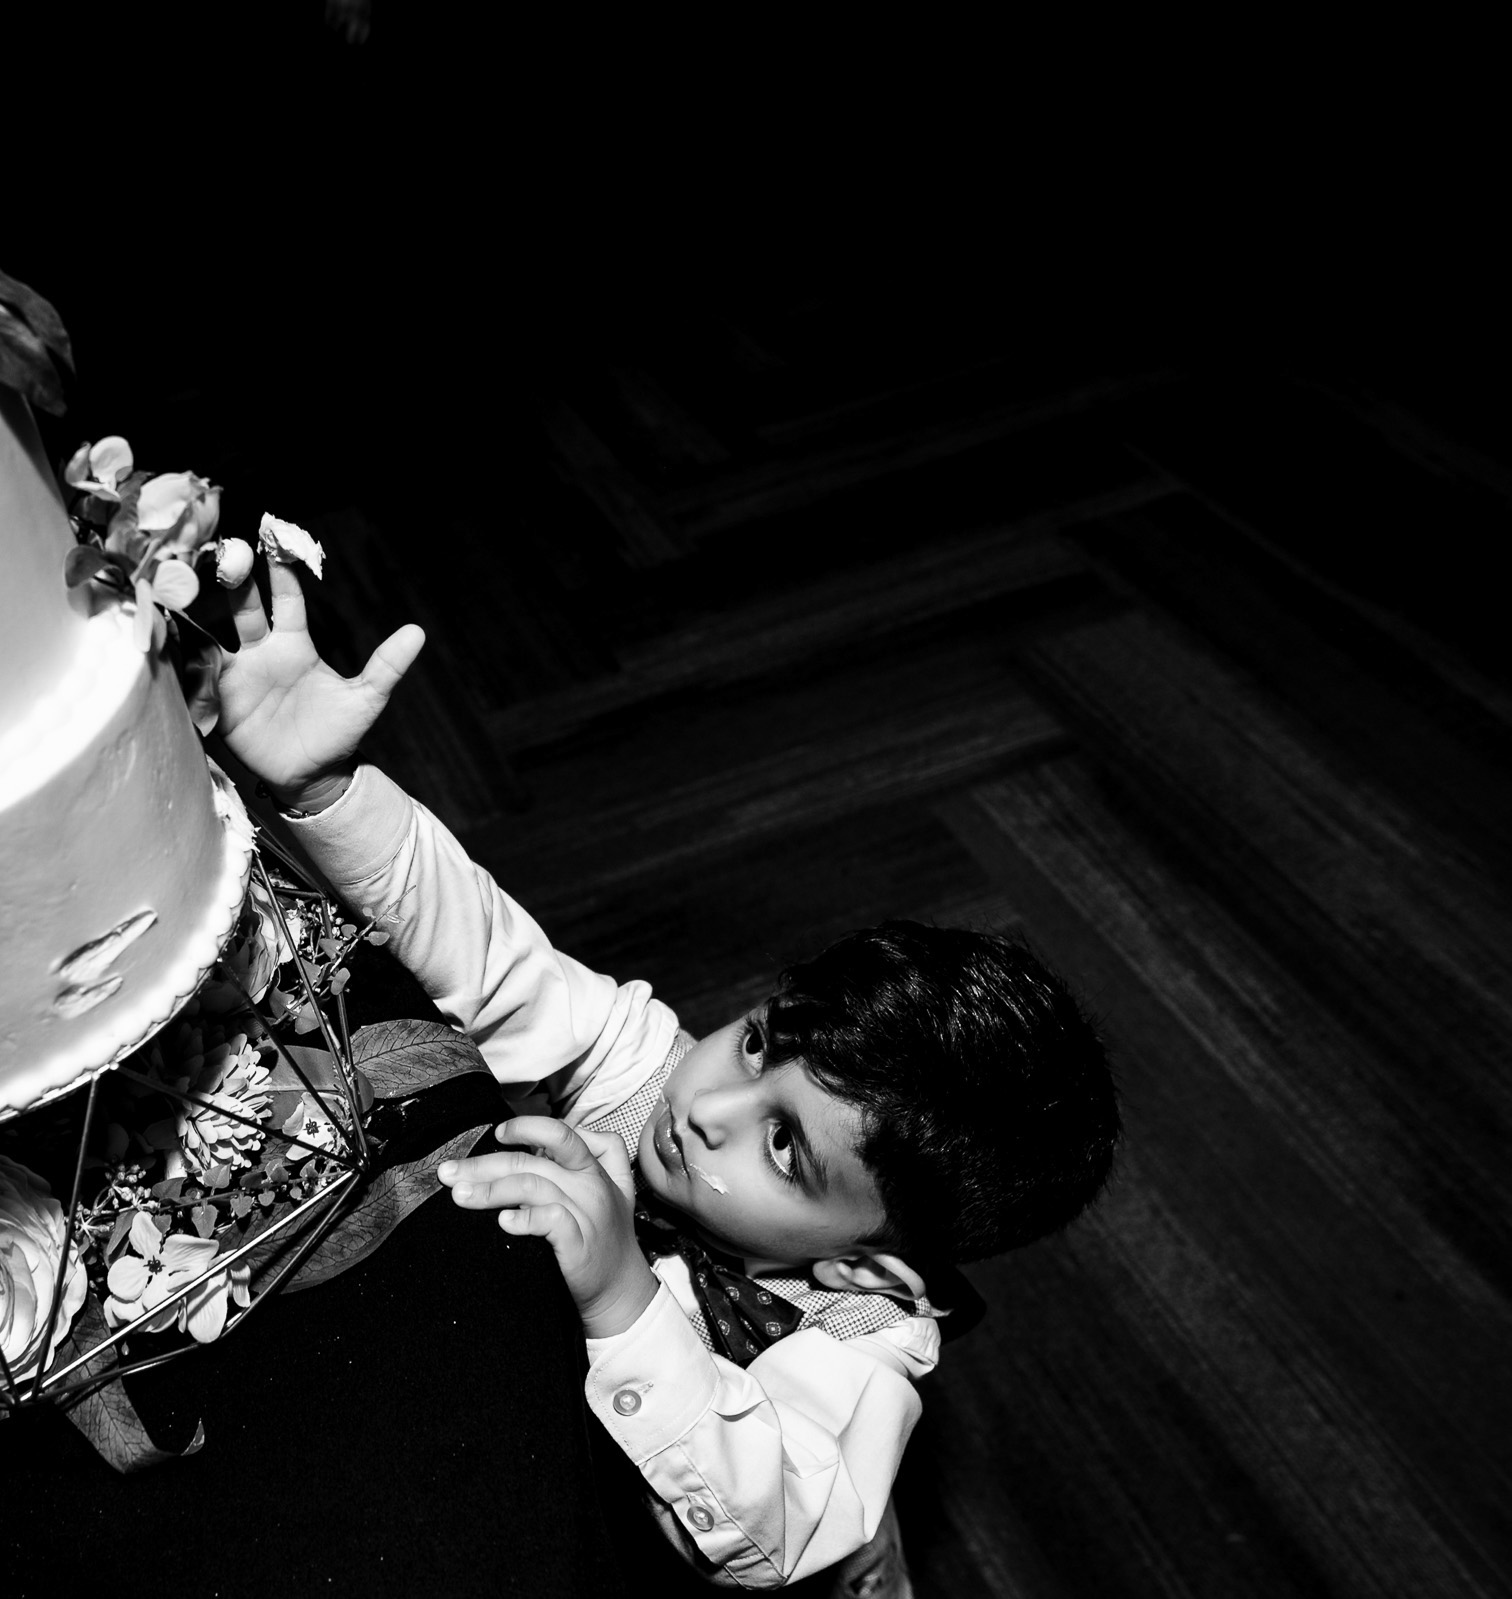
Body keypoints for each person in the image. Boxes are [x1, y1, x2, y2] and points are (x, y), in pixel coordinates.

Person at [211, 551, 1120, 1591]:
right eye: (761, 1043)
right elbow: (494, 961)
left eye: (783, 1144)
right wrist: (323, 791)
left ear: (865, 1264)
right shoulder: (670, 1083)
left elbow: (768, 1530)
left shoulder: (869, 1340)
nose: (709, 1105)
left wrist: (623, 1296)